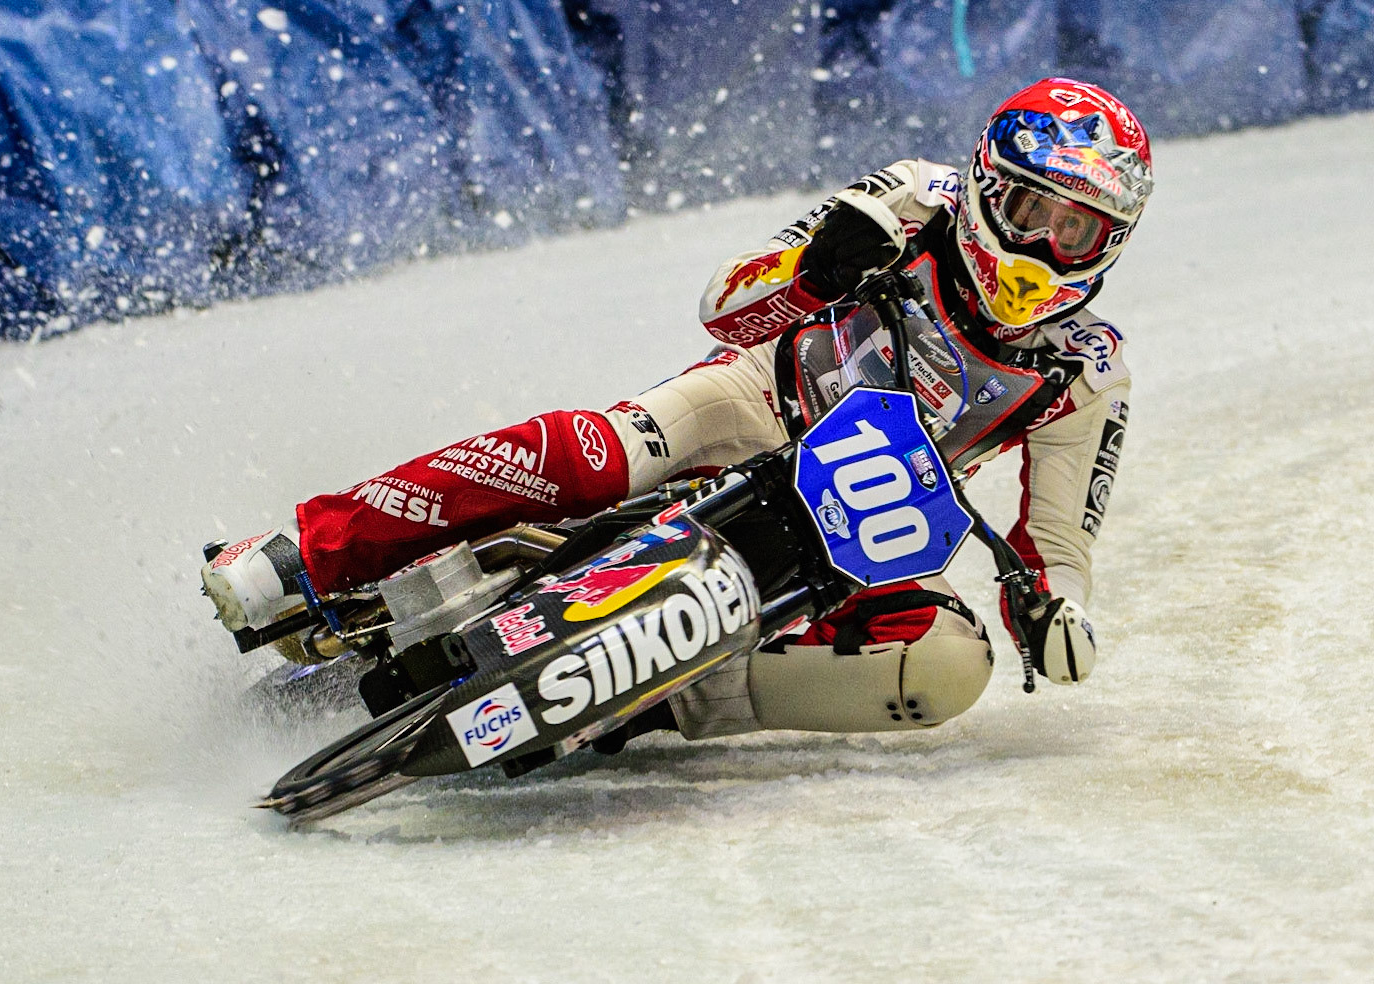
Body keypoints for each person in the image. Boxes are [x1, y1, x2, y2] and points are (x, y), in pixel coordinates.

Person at [202, 77, 1153, 744]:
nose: (1045, 247)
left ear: (1111, 243)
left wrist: (1054, 607)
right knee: (604, 450)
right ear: (986, 186)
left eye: (1077, 230)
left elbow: (1059, 544)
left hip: (858, 531)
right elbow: (726, 306)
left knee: (946, 662)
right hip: (755, 401)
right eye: (1030, 211)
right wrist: (813, 267)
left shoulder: (1086, 368)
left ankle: (656, 707)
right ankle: (305, 554)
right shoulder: (910, 200)